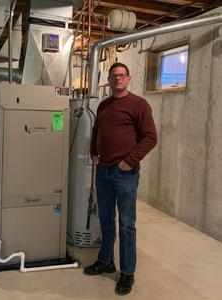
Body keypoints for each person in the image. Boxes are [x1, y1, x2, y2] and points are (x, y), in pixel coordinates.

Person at [83, 62, 157, 295]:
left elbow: (150, 137)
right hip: (103, 171)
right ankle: (106, 261)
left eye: (122, 75)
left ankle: (127, 272)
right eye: (114, 75)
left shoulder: (139, 104)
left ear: (128, 78)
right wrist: (93, 152)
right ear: (109, 78)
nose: (118, 79)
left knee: (126, 224)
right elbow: (96, 131)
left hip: (124, 173)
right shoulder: (104, 105)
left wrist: (129, 161)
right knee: (105, 220)